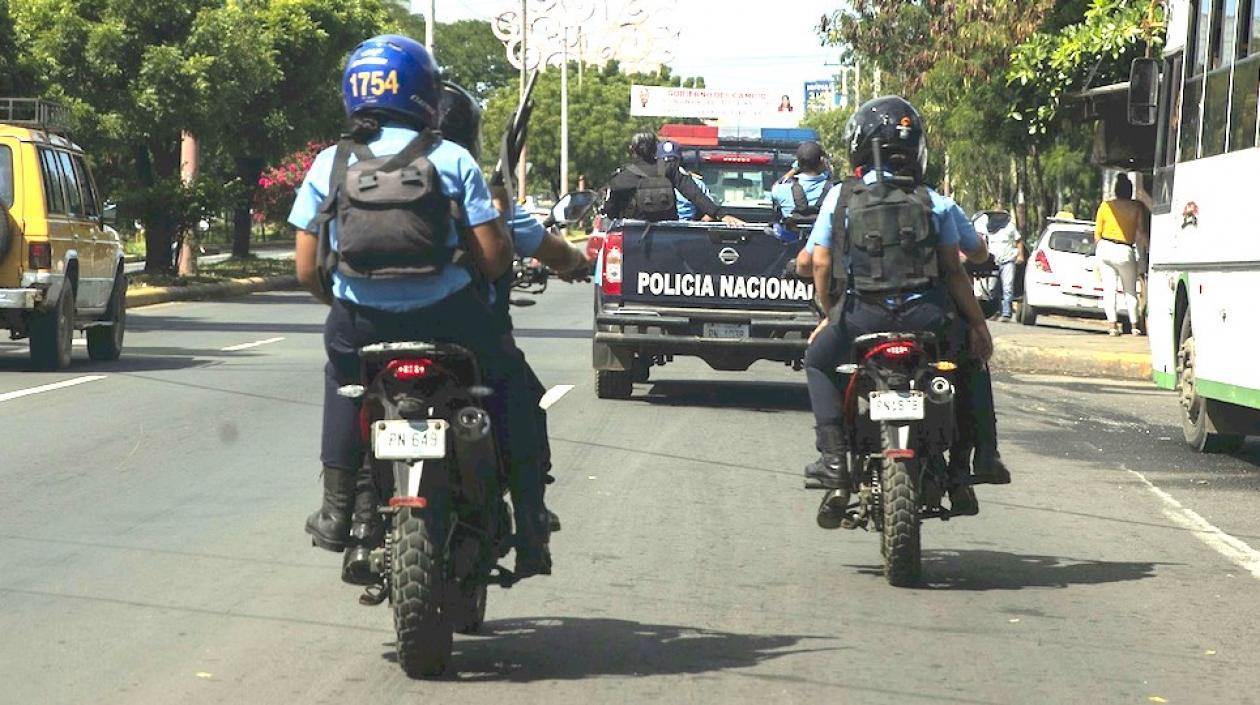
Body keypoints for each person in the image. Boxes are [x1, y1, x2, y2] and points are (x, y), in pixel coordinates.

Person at [289, 35, 553, 580]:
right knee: (510, 383)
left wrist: (344, 300)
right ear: (424, 94)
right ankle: (529, 519)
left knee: (343, 380)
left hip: (359, 324)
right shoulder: (451, 157)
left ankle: (339, 510)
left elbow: (305, 267)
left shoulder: (331, 162)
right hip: (451, 318)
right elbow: (495, 252)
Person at [799, 96, 1006, 527]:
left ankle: (835, 461)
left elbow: (817, 262)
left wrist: (828, 314)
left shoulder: (840, 198)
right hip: (926, 322)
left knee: (817, 361)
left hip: (861, 319)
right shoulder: (936, 202)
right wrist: (979, 326)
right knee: (970, 362)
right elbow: (955, 270)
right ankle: (980, 457)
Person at [604, 132, 740, 224]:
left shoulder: (624, 175)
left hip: (633, 235)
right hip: (668, 232)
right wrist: (720, 214)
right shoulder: (668, 168)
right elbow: (694, 194)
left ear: (632, 149)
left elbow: (611, 211)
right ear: (655, 149)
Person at [1094, 173, 1148, 336]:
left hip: (1105, 247)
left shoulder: (1105, 206)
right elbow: (1141, 232)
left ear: (1116, 190)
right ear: (1130, 190)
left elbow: (1097, 234)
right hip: (1125, 249)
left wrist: (1099, 254)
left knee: (1109, 289)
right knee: (1130, 290)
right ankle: (1134, 326)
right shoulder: (1137, 207)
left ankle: (1112, 326)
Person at [770, 141, 833, 242]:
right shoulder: (834, 190)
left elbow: (776, 186)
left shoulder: (781, 190)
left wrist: (795, 169)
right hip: (823, 247)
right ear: (822, 160)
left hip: (791, 246)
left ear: (799, 163)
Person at [973, 210, 1024, 321]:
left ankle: (1006, 313)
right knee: (991, 288)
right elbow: (984, 242)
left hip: (1008, 261)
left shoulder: (1010, 226)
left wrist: (1020, 255)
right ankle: (995, 311)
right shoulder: (988, 228)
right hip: (993, 262)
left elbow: (1018, 241)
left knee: (1007, 287)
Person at [658, 140, 714, 222]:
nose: (669, 164)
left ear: (680, 160)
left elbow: (711, 211)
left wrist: (698, 226)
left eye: (673, 160)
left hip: (686, 227)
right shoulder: (649, 183)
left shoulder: (696, 183)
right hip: (657, 228)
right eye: (664, 160)